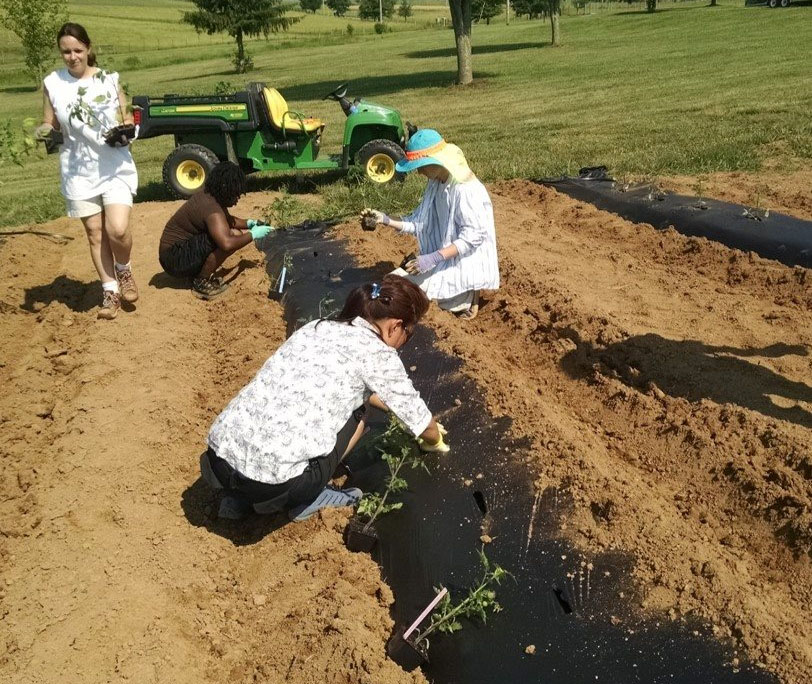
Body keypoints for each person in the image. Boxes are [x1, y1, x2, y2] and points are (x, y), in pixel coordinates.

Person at [200, 274, 450, 521]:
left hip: (217, 464)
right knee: (359, 412)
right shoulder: (378, 355)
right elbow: (421, 423)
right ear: (395, 326)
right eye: (409, 332)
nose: (406, 340)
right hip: (275, 487)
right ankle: (310, 496)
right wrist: (435, 440)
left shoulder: (318, 327)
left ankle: (237, 500)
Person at [38, 22, 139, 320]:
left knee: (117, 229)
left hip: (113, 164)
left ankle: (124, 270)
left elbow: (126, 116)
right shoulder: (52, 83)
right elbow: (49, 122)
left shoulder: (108, 80)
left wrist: (126, 130)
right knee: (95, 233)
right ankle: (110, 292)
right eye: (66, 51)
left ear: (88, 49)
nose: (72, 57)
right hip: (77, 168)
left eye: (77, 50)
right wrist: (40, 132)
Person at [362, 129, 499, 321]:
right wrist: (384, 219)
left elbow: (473, 237)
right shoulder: (436, 184)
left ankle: (469, 295)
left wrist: (433, 258)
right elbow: (419, 222)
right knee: (390, 286)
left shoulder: (466, 190)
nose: (419, 172)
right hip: (441, 260)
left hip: (460, 265)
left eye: (421, 166)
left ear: (437, 161)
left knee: (407, 301)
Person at [158, 162, 273, 300]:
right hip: (174, 259)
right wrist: (253, 234)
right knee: (231, 236)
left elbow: (227, 220)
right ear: (226, 190)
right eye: (235, 195)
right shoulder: (212, 209)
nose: (237, 200)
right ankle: (201, 282)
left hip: (174, 253)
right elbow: (227, 244)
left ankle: (196, 273)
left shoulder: (211, 195)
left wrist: (250, 223)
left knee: (232, 232)